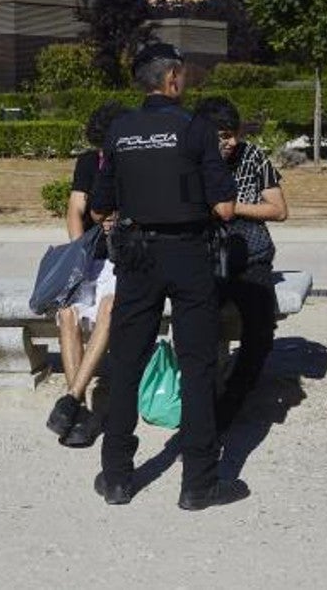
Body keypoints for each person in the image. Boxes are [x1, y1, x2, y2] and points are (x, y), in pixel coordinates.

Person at [89, 43, 242, 510]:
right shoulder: (195, 128)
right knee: (196, 366)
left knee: (126, 362)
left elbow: (99, 207)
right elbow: (225, 207)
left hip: (137, 256)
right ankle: (198, 483)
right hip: (188, 253)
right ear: (172, 78)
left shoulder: (119, 130)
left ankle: (117, 476)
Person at [192, 96, 289, 433]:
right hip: (204, 257)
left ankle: (233, 398)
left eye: (234, 134)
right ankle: (201, 398)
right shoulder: (189, 159)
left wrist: (232, 208)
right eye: (223, 136)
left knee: (260, 331)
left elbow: (279, 209)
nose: (232, 142)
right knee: (196, 329)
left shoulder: (252, 156)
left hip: (251, 257)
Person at [45, 101, 130, 448]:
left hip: (122, 259)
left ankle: (71, 401)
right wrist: (77, 259)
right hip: (90, 258)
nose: (103, 153)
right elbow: (75, 210)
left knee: (109, 307)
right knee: (68, 313)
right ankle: (78, 410)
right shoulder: (87, 162)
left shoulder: (135, 163)